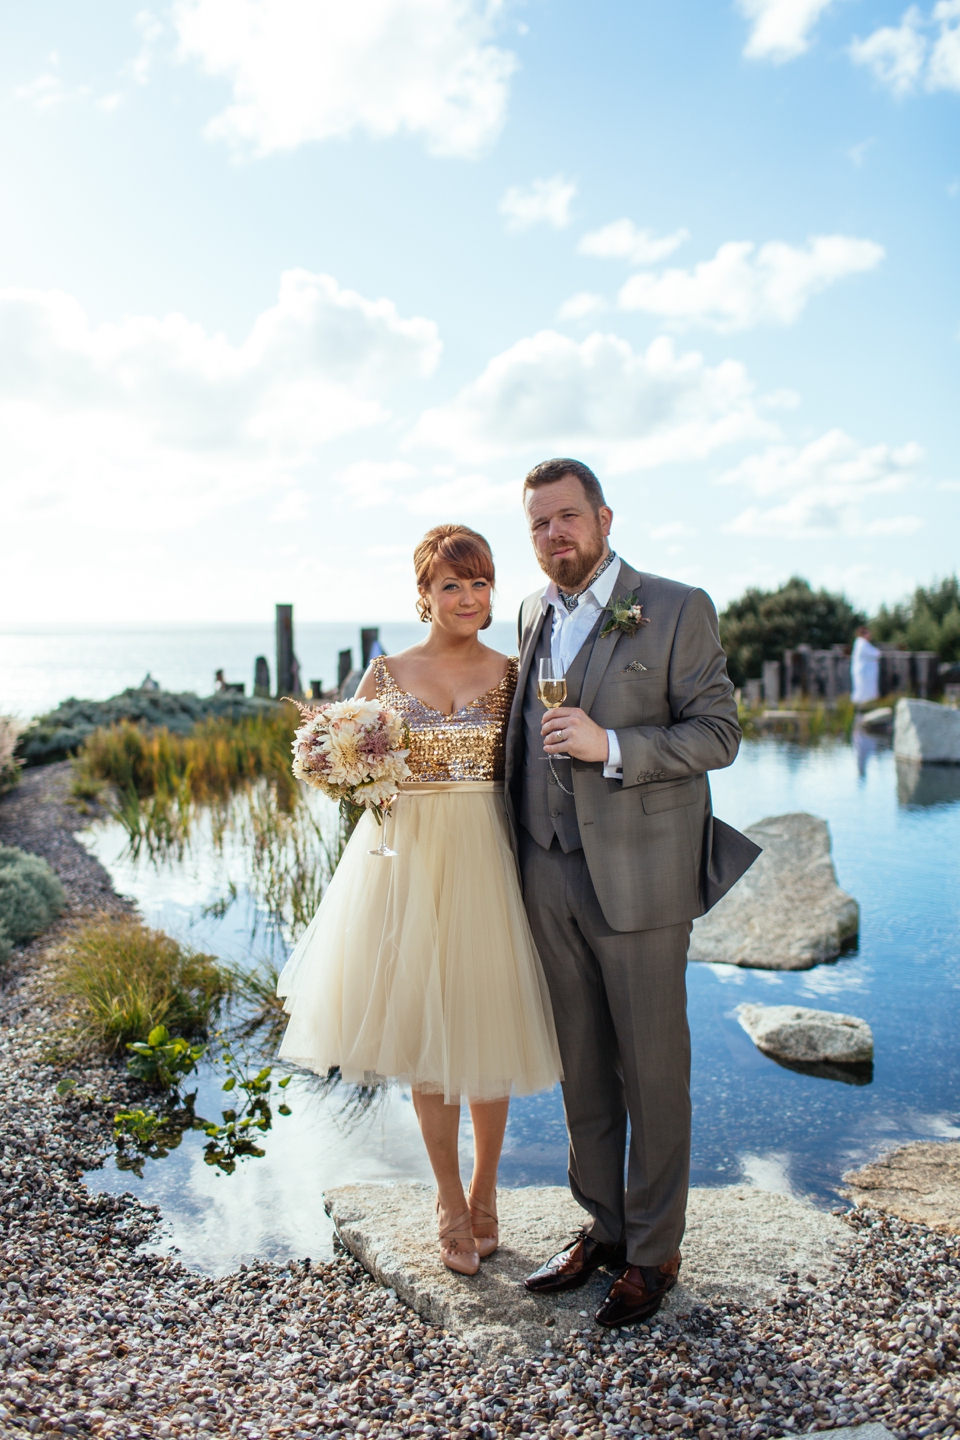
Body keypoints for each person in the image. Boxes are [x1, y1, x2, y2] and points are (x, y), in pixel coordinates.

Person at [276, 524, 561, 1276]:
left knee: (488, 1024)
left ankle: (486, 1187)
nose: (467, 597)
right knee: (426, 1036)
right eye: (451, 584)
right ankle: (446, 1200)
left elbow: (536, 771)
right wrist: (350, 775)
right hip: (402, 861)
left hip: (487, 857)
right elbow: (336, 759)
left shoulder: (514, 670)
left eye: (479, 583)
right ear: (424, 593)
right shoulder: (384, 675)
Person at [505, 458, 750, 1329]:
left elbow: (718, 733)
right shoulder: (534, 611)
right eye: (538, 524)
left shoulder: (677, 605)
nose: (554, 535)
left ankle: (654, 1250)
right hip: (546, 866)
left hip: (641, 875)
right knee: (581, 1065)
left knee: (653, 1067)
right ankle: (604, 1227)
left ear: (604, 518)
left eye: (567, 518)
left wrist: (612, 744)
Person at [851, 626, 881, 706]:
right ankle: (861, 705)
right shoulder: (861, 643)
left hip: (866, 671)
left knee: (865, 690)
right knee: (862, 689)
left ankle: (865, 704)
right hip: (864, 672)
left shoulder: (862, 643)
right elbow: (875, 654)